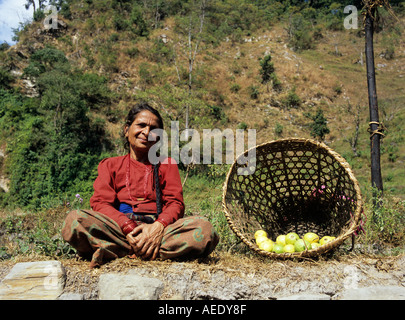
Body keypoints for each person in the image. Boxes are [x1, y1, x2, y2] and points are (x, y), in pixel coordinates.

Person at [62, 102, 219, 268]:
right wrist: (128, 227)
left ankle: (116, 249)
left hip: (159, 231)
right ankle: (148, 250)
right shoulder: (110, 165)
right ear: (126, 130)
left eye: (153, 129)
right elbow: (100, 203)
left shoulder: (167, 164)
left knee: (204, 230)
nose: (146, 132)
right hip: (120, 230)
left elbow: (175, 203)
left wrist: (157, 228)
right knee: (74, 220)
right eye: (141, 125)